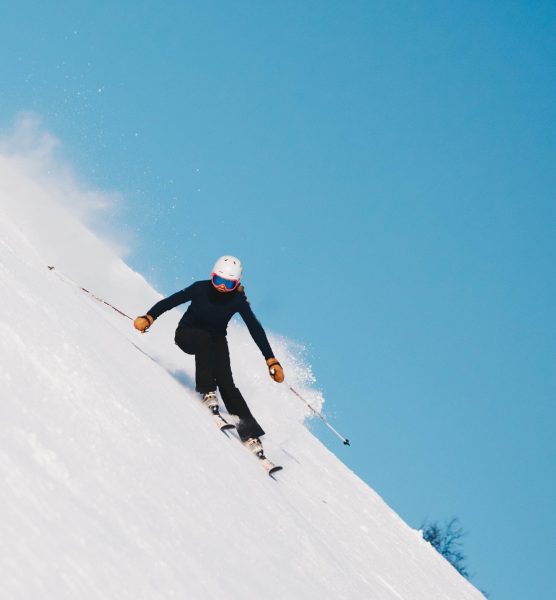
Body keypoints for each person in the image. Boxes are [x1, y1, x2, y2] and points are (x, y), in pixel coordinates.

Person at [133, 255, 284, 455]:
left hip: (216, 339)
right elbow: (171, 301)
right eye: (218, 281)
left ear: (236, 283)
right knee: (204, 339)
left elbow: (254, 328)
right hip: (187, 334)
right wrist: (149, 317)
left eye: (228, 284)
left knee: (227, 383)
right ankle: (207, 390)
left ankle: (249, 434)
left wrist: (271, 359)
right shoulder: (200, 288)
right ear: (212, 277)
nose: (222, 287)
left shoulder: (237, 300)